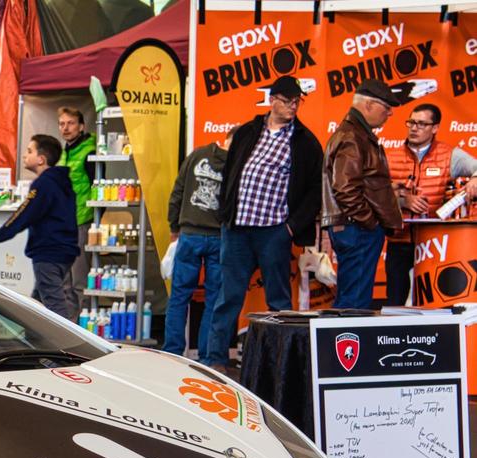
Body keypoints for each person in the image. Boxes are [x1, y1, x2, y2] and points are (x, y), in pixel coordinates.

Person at [206, 76, 323, 372]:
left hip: (274, 229)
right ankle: (216, 360)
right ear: (273, 100)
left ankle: (279, 364)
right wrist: (225, 214)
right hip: (238, 228)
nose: (293, 106)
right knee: (227, 296)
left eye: (297, 101)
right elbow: (232, 172)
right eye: (287, 101)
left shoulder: (306, 142)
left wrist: (291, 228)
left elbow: (313, 191)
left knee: (279, 300)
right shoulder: (248, 131)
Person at [322, 79, 408, 310]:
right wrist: (369, 222)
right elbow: (345, 188)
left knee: (352, 296)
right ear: (369, 105)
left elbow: (352, 183)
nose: (389, 113)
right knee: (354, 301)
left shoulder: (354, 133)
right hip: (356, 227)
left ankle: (341, 343)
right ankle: (345, 344)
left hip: (353, 226)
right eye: (386, 107)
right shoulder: (353, 135)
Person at [384, 102, 477, 306]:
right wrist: (403, 201)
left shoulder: (449, 155)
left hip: (433, 244)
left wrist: (475, 179)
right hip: (398, 241)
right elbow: (376, 193)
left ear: (435, 128)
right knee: (395, 302)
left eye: (421, 124)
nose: (414, 128)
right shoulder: (390, 157)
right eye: (411, 123)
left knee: (431, 302)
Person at [0, 134, 79, 321]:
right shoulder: (62, 182)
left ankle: (67, 344)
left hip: (48, 251)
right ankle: (31, 339)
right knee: (38, 301)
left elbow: (24, 215)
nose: (24, 156)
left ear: (41, 159)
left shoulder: (43, 184)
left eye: (29, 151)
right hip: (64, 250)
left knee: (54, 305)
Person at [162, 138, 228, 359]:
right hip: (219, 237)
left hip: (189, 234)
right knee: (214, 299)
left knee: (179, 297)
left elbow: (178, 192)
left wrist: (174, 227)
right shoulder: (237, 163)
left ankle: (172, 353)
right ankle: (207, 357)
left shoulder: (197, 155)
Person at [58, 107, 94, 306]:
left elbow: (98, 189)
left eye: (70, 123)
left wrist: (91, 221)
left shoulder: (89, 152)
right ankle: (69, 326)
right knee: (64, 281)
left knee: (80, 281)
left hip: (81, 222)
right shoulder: (64, 152)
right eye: (62, 124)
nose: (65, 128)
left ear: (81, 126)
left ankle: (85, 328)